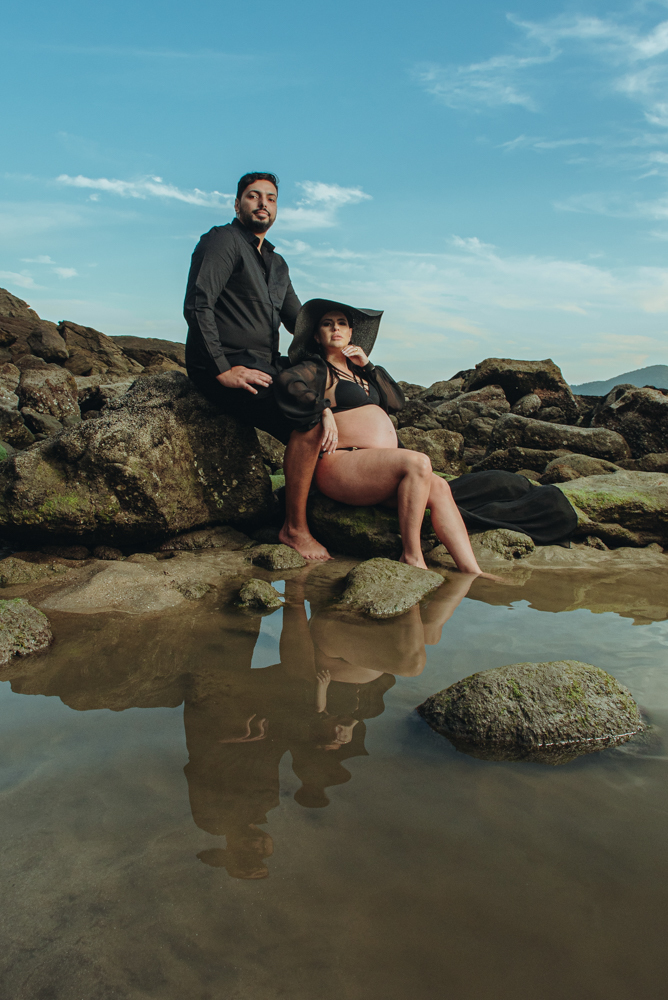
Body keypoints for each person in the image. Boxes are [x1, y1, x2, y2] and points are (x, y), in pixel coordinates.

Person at [276, 299, 577, 569]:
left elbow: (396, 401)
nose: (335, 328)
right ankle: (412, 555)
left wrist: (367, 366)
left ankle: (472, 571)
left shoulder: (360, 371)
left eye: (342, 323)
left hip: (377, 466)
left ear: (352, 334)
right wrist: (323, 410)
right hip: (342, 462)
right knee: (419, 462)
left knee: (440, 489)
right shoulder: (316, 368)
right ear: (317, 335)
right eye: (327, 324)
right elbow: (288, 381)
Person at [183, 172, 331, 561]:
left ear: (277, 209)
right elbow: (199, 304)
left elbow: (300, 326)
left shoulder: (278, 264)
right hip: (225, 368)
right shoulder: (222, 241)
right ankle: (294, 529)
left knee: (334, 423)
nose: (262, 203)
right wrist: (221, 369)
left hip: (264, 366)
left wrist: (341, 356)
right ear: (237, 205)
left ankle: (331, 509)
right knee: (309, 420)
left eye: (270, 198)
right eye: (253, 196)